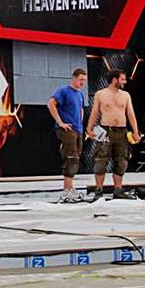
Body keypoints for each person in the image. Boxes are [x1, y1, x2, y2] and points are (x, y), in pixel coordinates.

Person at [86, 69, 140, 200]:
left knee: (121, 161)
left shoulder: (126, 95)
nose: (125, 81)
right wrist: (89, 128)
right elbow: (95, 112)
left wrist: (135, 131)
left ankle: (118, 190)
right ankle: (99, 190)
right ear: (114, 80)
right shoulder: (100, 94)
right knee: (101, 161)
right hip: (105, 131)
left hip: (122, 131)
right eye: (122, 79)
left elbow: (131, 114)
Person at [47, 68, 88, 203]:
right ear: (74, 78)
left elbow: (81, 110)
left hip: (78, 130)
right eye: (81, 79)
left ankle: (70, 188)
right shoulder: (63, 91)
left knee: (76, 158)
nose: (82, 83)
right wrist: (60, 122)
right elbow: (51, 104)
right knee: (71, 158)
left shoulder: (80, 94)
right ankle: (67, 191)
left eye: (84, 80)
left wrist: (80, 125)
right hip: (67, 130)